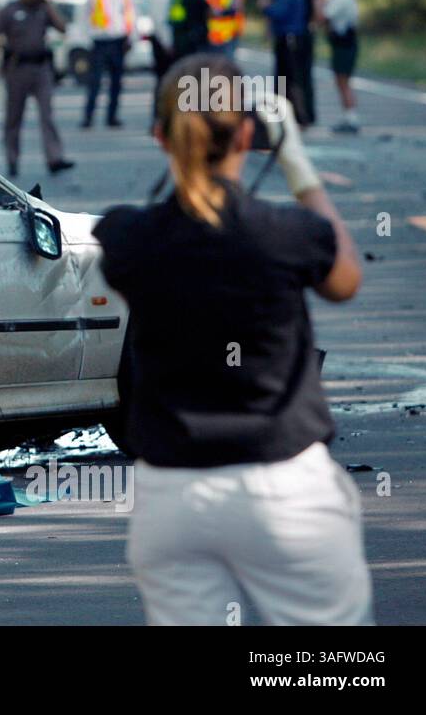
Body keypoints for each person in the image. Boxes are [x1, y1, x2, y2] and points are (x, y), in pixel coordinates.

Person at [94, 53, 371, 626]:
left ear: (159, 136)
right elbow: (345, 279)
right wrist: (296, 163)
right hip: (283, 484)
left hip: (170, 497)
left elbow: (158, 236)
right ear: (248, 133)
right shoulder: (287, 233)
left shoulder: (126, 238)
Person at [0, 0, 75, 178]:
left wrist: (49, 6)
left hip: (41, 68)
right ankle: (12, 159)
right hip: (16, 69)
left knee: (47, 114)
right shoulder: (10, 10)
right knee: (14, 117)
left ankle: (54, 158)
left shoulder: (44, 9)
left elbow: (63, 28)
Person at [81, 0, 135, 129]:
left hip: (118, 40)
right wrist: (87, 37)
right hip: (100, 41)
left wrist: (131, 37)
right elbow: (85, 15)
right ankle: (88, 117)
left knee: (116, 82)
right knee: (95, 82)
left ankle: (112, 116)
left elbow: (131, 14)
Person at [261, 0, 311, 127]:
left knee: (286, 78)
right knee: (287, 78)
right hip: (294, 37)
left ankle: (295, 116)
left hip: (287, 38)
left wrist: (266, 7)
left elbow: (279, 12)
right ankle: (288, 114)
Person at [287, 0, 323, 125]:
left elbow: (317, 0)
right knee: (290, 75)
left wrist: (314, 24)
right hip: (290, 32)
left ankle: (307, 114)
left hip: (304, 31)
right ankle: (293, 113)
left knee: (304, 75)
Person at [324, 0, 360, 134]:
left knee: (343, 81)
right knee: (342, 82)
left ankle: (351, 118)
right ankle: (349, 116)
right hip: (345, 43)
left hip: (344, 43)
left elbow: (325, 16)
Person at [148, 0, 180, 90]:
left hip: (167, 42)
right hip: (163, 43)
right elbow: (160, 20)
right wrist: (167, 43)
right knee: (164, 81)